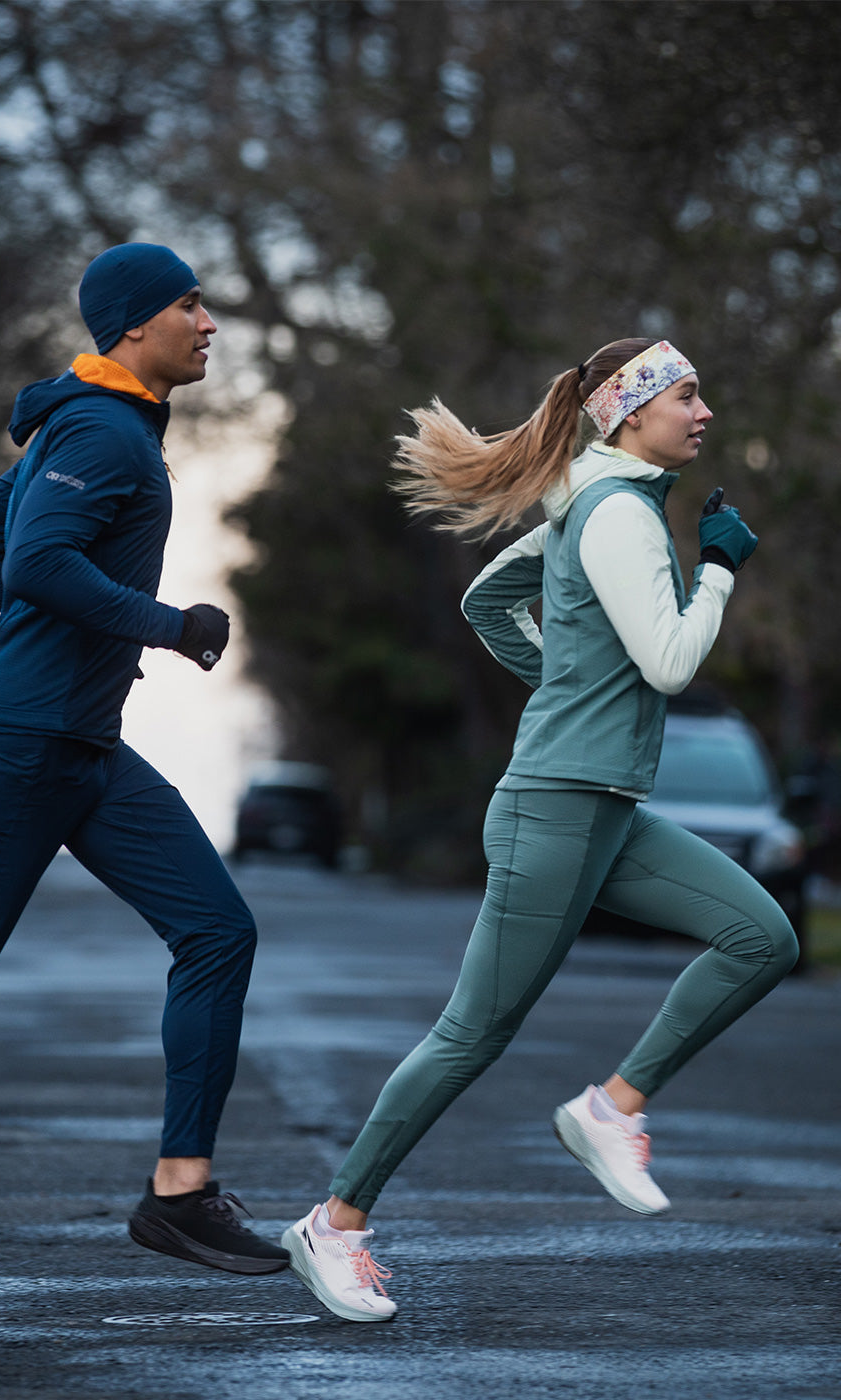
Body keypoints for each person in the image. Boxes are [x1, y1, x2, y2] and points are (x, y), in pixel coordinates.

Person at [280, 338, 799, 1321]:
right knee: (471, 1033)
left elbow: (488, 601)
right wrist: (718, 572)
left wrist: (564, 681)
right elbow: (671, 662)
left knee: (762, 936)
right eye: (687, 394)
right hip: (557, 804)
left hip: (602, 807)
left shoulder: (592, 502)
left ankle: (612, 1105)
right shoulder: (617, 517)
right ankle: (333, 1223)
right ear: (627, 409)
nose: (704, 413)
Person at [0, 242, 289, 1276]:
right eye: (190, 303)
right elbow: (37, 560)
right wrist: (167, 624)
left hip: (80, 741)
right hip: (21, 740)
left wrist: (77, 642)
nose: (210, 321)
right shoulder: (98, 427)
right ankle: (181, 1190)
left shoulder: (99, 423)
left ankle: (181, 1193)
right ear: (135, 323)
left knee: (217, 930)